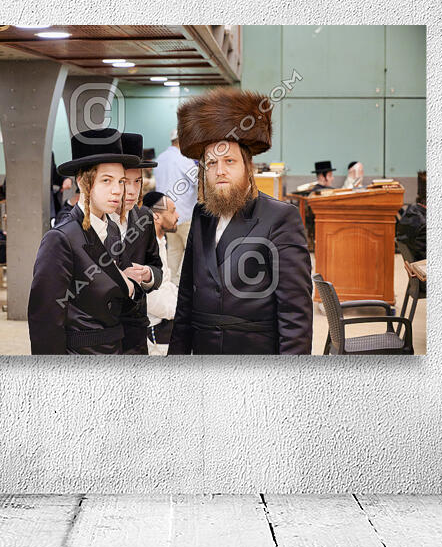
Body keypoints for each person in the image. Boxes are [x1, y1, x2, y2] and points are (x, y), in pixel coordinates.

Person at [169, 88, 313, 355]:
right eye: (211, 163)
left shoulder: (280, 217)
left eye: (229, 161)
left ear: (248, 167)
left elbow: (295, 314)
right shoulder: (202, 215)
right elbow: (186, 298)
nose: (220, 170)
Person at [27, 129, 146, 354]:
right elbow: (45, 322)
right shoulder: (60, 239)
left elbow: (124, 302)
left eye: (120, 181)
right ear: (82, 182)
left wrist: (130, 287)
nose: (117, 191)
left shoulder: (112, 229)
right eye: (106, 180)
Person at [111, 133, 164, 354]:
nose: (132, 190)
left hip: (136, 330)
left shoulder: (144, 218)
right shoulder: (92, 222)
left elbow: (156, 266)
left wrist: (148, 275)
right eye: (125, 182)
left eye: (138, 181)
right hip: (102, 331)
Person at [155, 128, 197, 279]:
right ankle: (184, 281)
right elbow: (199, 180)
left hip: (165, 215)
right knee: (192, 250)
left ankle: (172, 283)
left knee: (173, 249)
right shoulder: (184, 159)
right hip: (184, 214)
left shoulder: (160, 158)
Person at [142, 191, 180, 356]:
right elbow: (150, 298)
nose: (178, 216)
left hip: (166, 324)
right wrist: (181, 310)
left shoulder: (160, 241)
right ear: (156, 217)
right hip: (155, 332)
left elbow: (166, 283)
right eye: (172, 211)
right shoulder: (145, 248)